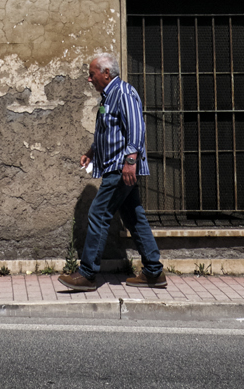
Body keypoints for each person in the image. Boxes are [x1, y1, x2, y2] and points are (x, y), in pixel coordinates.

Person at [58, 53, 168, 291]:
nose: (89, 79)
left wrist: (130, 161)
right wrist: (92, 152)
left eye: (92, 74)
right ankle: (153, 272)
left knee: (98, 213)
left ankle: (87, 274)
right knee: (134, 217)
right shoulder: (108, 96)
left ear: (106, 73)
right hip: (115, 166)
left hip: (121, 168)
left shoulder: (124, 93)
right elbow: (109, 134)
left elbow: (136, 129)